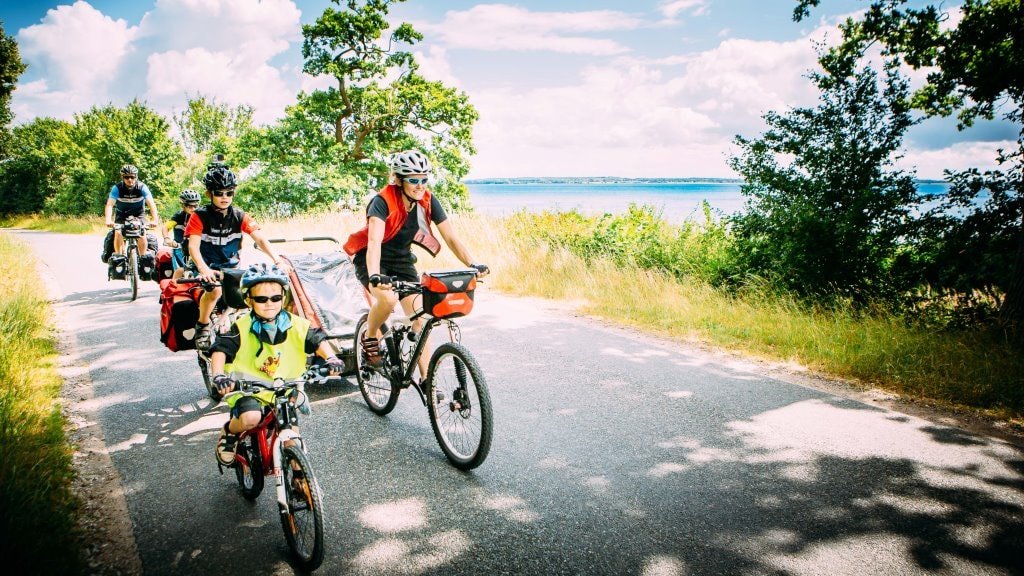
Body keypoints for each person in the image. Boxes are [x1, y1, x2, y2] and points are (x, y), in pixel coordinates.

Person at [343, 149, 489, 381]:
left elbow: (451, 238)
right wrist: (374, 276)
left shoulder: (428, 201)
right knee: (388, 300)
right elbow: (374, 242)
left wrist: (473, 263)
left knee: (421, 316)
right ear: (399, 181)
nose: (420, 185)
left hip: (401, 261)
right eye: (413, 180)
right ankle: (370, 336)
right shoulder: (381, 202)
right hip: (371, 259)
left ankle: (426, 381)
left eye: (424, 179)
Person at [208, 263, 344, 465]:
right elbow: (220, 350)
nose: (269, 303)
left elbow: (317, 340)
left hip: (284, 390)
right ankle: (230, 433)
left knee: (292, 438)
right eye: (261, 299)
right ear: (249, 300)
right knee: (250, 418)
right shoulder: (241, 326)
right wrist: (219, 375)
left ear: (284, 297)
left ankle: (300, 477)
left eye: (276, 298)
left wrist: (331, 358)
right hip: (248, 390)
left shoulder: (297, 324)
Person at [186, 162, 290, 350]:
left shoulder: (239, 215)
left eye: (229, 192)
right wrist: (203, 269)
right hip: (206, 266)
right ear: (209, 194)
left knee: (254, 293)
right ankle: (202, 325)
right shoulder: (199, 216)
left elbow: (260, 239)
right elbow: (193, 247)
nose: (224, 197)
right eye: (219, 193)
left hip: (230, 268)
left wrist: (277, 260)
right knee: (215, 291)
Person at [104, 164, 160, 256]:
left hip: (139, 214)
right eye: (126, 177)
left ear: (136, 177)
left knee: (142, 232)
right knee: (118, 232)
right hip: (122, 215)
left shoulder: (142, 187)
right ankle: (119, 256)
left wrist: (155, 219)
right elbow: (110, 204)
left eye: (132, 177)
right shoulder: (117, 188)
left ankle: (143, 257)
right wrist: (108, 220)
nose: (130, 179)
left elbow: (151, 204)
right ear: (122, 177)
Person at [163, 189, 201, 279]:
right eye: (189, 206)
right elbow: (165, 227)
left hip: (196, 248)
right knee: (179, 271)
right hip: (179, 247)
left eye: (195, 206)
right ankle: (174, 290)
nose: (193, 209)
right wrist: (167, 239)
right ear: (183, 205)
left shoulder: (201, 215)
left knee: (200, 275)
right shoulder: (178, 215)